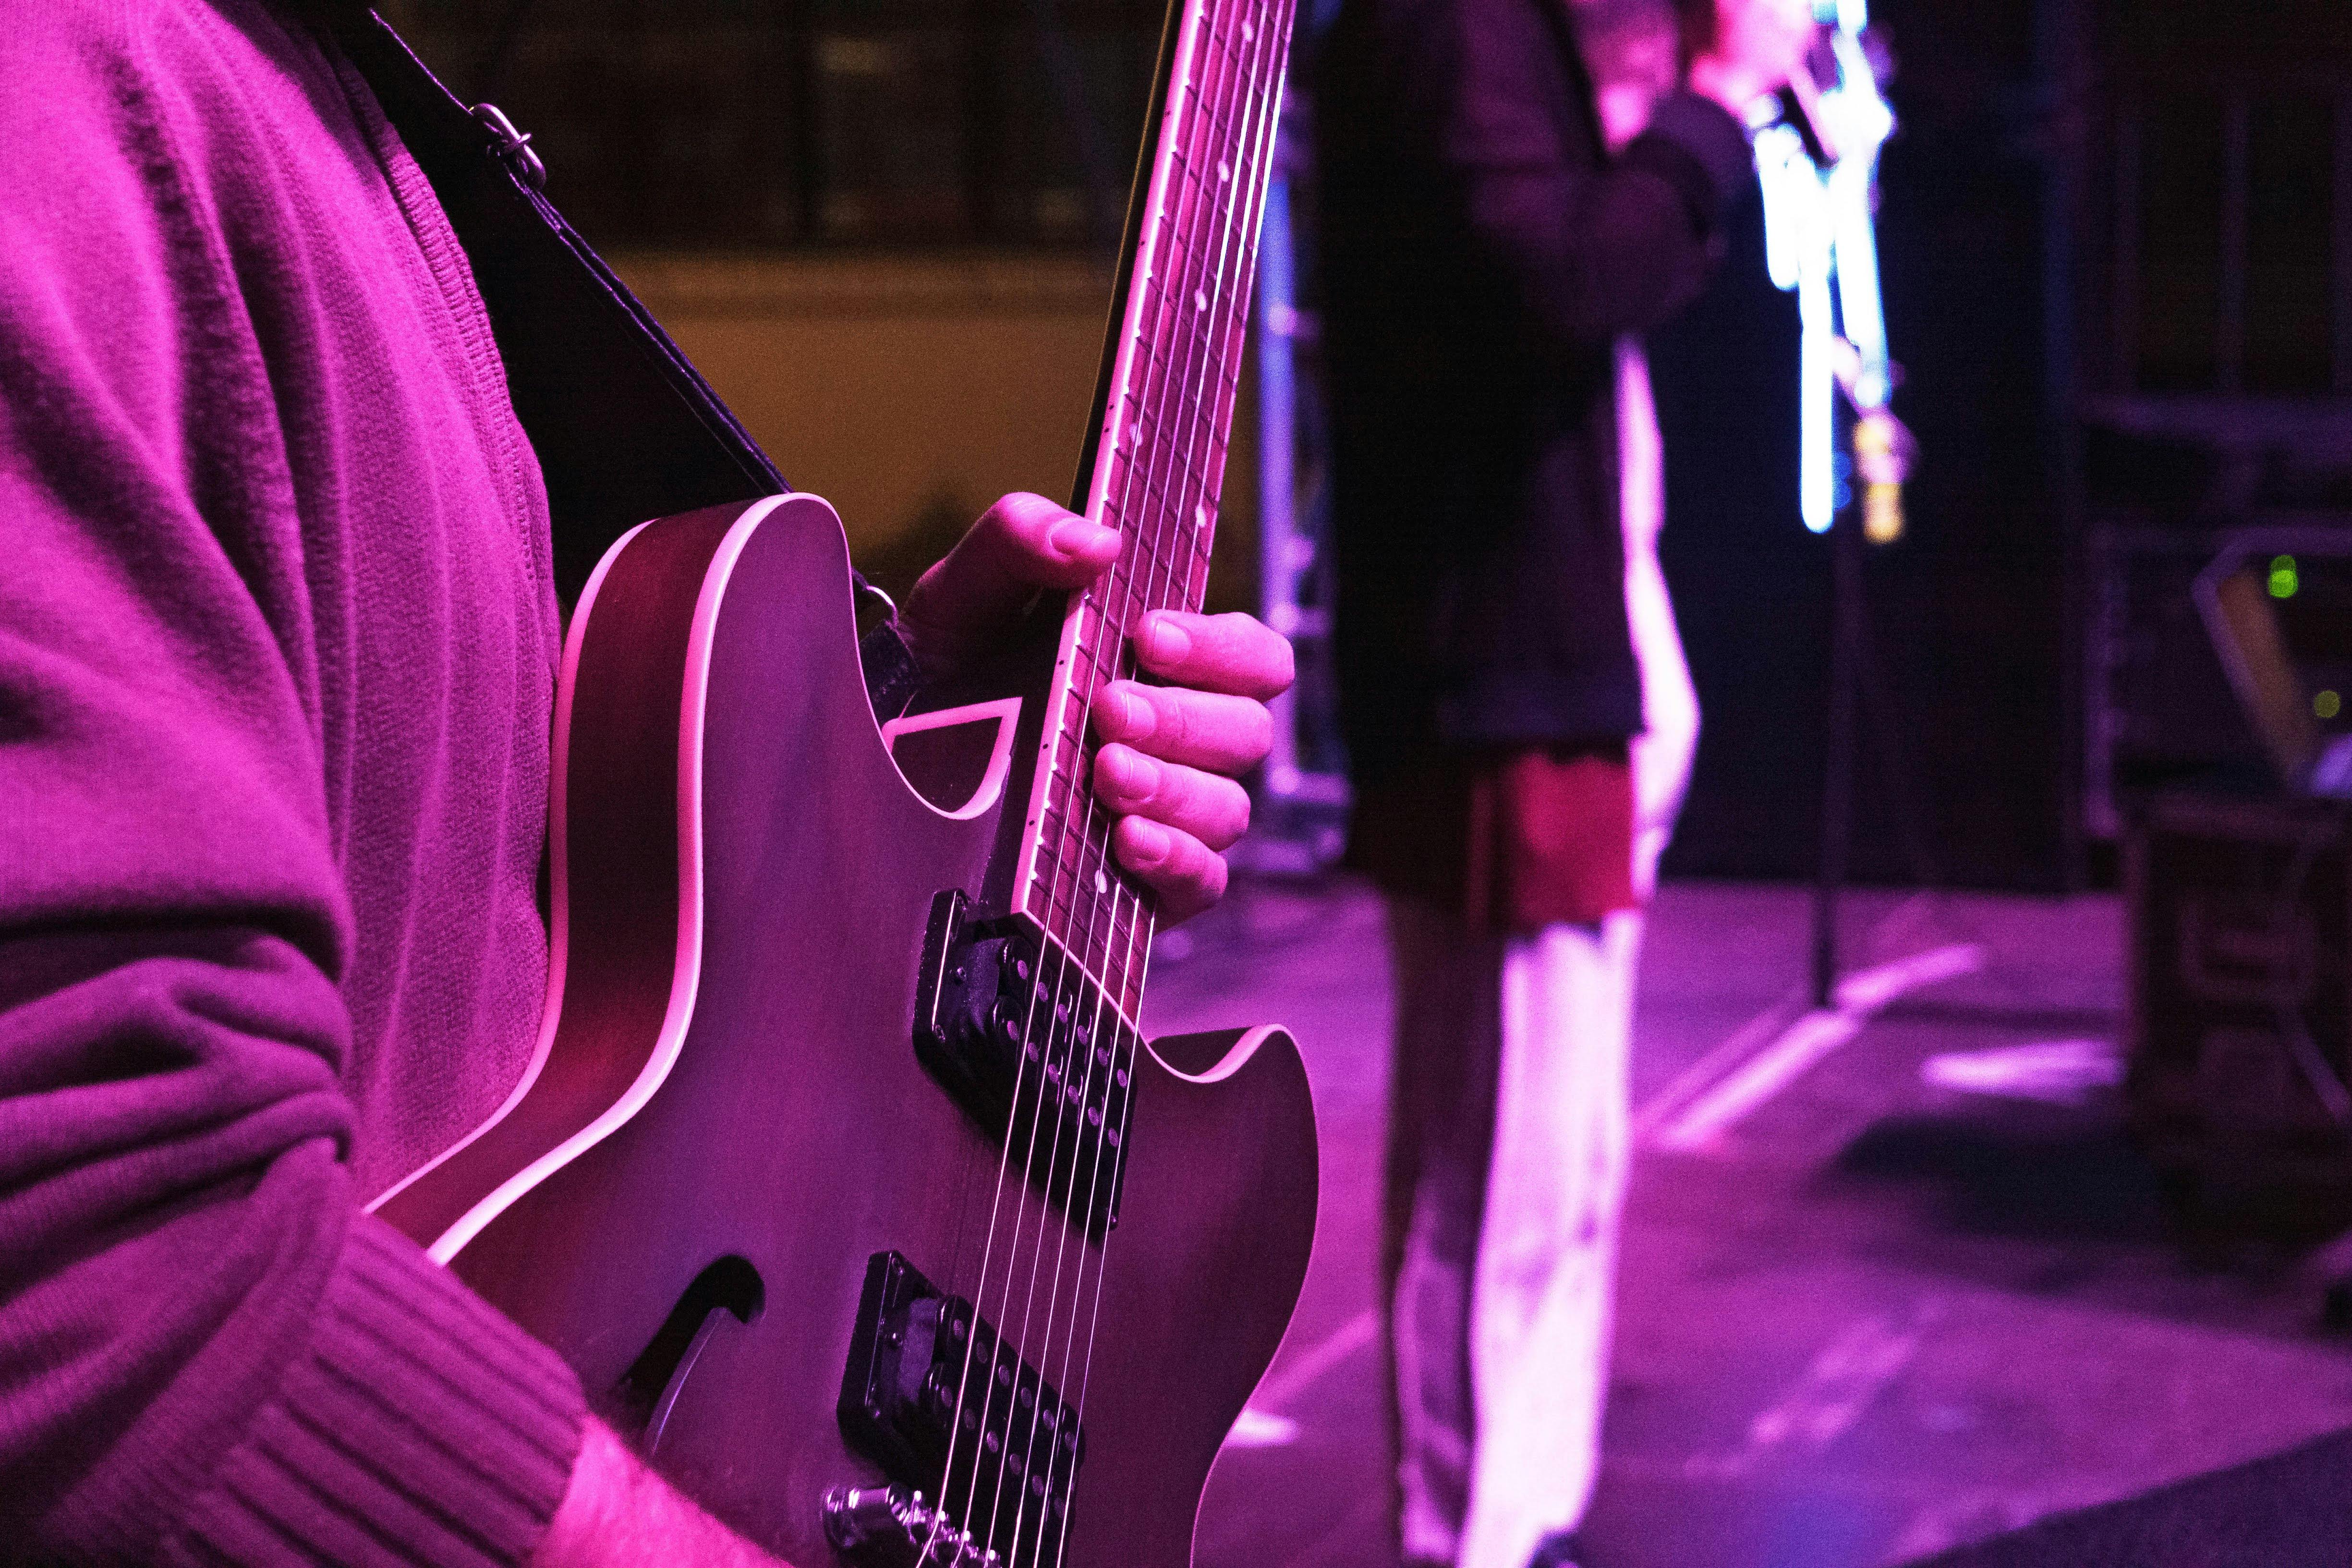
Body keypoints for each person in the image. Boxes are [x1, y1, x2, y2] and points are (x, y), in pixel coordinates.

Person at [0, 1, 1289, 1564]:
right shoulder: (64, 84)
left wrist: (894, 756)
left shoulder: (331, 109)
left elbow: (435, 827)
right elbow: (109, 1263)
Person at [1315, 0, 1815, 1564]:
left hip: (1539, 669)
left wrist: (1665, 97)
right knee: (1502, 1154)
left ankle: (1516, 1516)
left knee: (1557, 1153)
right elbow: (1555, 277)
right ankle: (1472, 1533)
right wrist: (1720, 94)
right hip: (1499, 682)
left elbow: (1582, 263)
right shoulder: (1449, 26)